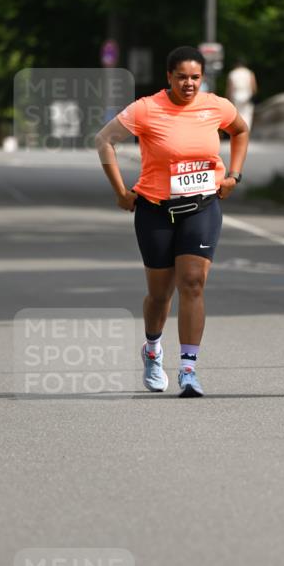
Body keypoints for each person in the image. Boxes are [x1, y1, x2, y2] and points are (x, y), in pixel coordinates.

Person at [95, 45, 249, 398]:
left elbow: (240, 131)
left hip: (202, 205)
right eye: (181, 77)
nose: (189, 84)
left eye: (195, 77)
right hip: (155, 209)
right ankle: (152, 349)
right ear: (169, 77)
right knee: (160, 294)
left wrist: (234, 175)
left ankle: (189, 369)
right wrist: (121, 191)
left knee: (193, 283)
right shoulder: (147, 108)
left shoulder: (217, 106)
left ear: (203, 78)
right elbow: (103, 140)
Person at [225, 59, 257, 131]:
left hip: (236, 95)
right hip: (247, 94)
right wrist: (254, 96)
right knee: (247, 114)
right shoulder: (249, 73)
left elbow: (230, 88)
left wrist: (228, 98)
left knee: (238, 114)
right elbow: (253, 86)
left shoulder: (232, 73)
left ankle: (239, 131)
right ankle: (246, 130)